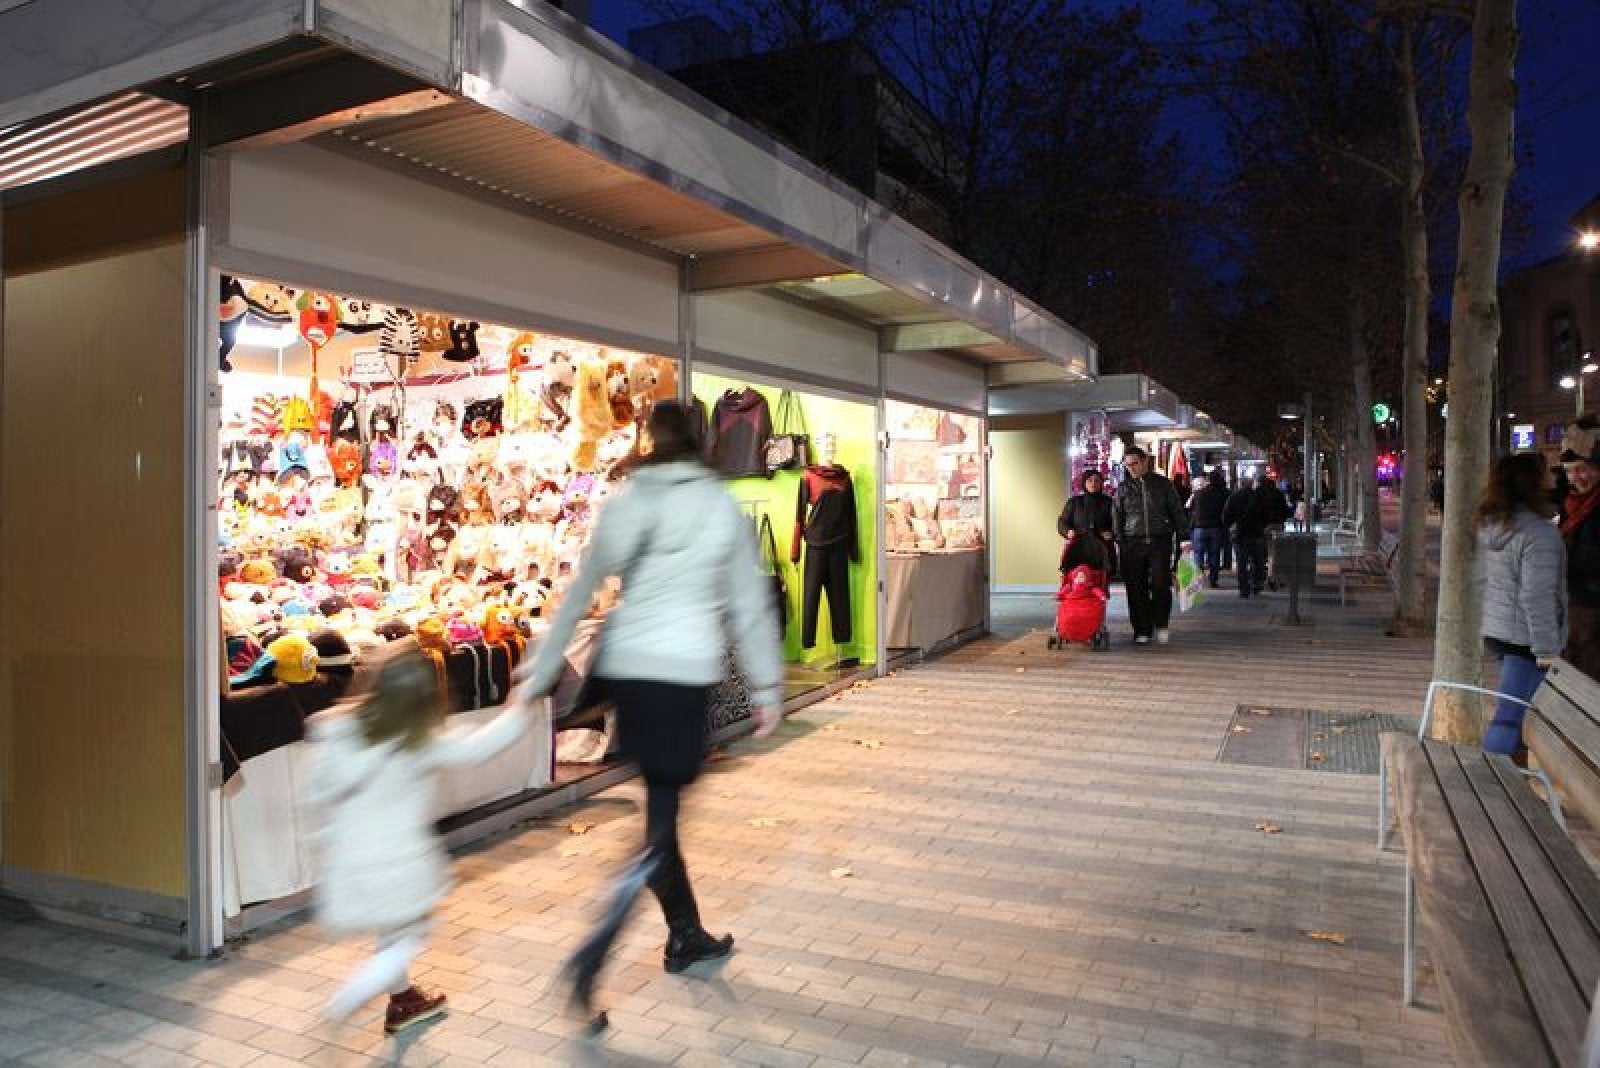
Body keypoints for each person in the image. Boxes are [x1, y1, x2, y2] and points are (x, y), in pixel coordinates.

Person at [516, 401, 785, 1033]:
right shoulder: (717, 504)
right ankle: (592, 955)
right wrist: (766, 686)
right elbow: (746, 599)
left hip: (631, 670)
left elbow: (580, 591)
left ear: (650, 440)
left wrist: (540, 669)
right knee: (658, 827)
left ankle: (685, 933)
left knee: (661, 813)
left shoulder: (627, 499)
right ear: (701, 441)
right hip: (681, 676)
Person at [307, 637, 535, 1034]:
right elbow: (482, 747)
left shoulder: (338, 728)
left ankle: (403, 1001)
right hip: (399, 860)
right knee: (412, 933)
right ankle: (355, 993)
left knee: (392, 929)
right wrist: (522, 705)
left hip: (348, 857)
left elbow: (321, 787)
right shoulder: (423, 743)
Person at [1478, 452, 1566, 756]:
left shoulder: (1493, 526)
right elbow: (1536, 596)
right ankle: (1489, 782)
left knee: (1513, 712)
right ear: (1532, 484)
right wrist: (1547, 649)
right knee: (1510, 718)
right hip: (1525, 639)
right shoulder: (1538, 534)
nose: (1551, 481)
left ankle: (1500, 777)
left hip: (1498, 630)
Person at [1113, 446, 1188, 644]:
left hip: (1159, 541)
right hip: (1132, 542)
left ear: (1145, 461)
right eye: (1128, 465)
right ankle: (1141, 630)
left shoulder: (1164, 485)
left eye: (1135, 463)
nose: (1131, 468)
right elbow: (1117, 516)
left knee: (1161, 585)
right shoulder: (1123, 488)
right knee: (1135, 588)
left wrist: (1185, 538)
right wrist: (1120, 540)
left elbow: (1177, 512)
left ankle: (1161, 623)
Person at [1560, 420, 1600, 680]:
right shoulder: (1574, 504)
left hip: (1593, 603)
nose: (1577, 477)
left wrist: (1561, 561)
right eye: (1571, 471)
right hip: (1576, 601)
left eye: (1583, 470)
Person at [1057, 469, 1117, 576]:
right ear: (1084, 483)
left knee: (1101, 583)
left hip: (1102, 549)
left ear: (1101, 483)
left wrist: (1111, 533)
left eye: (1097, 481)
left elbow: (1118, 523)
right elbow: (1062, 522)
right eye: (1089, 480)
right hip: (1078, 549)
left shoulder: (1109, 502)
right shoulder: (1074, 502)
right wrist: (1068, 532)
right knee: (1078, 582)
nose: (1093, 483)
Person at [1223, 477, 1269, 598]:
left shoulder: (1233, 497)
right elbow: (1265, 515)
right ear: (1251, 484)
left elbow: (1226, 516)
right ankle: (1256, 585)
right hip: (1256, 534)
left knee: (1241, 563)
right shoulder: (1258, 497)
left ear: (1240, 484)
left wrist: (1231, 526)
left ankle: (1244, 589)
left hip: (1240, 535)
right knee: (1258, 561)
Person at [1188, 469, 1230, 589]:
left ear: (1208, 480)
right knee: (1214, 555)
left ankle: (1198, 580)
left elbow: (1190, 509)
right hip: (1216, 528)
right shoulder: (1225, 494)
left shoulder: (1198, 493)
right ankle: (1213, 580)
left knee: (1198, 555)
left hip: (1199, 527)